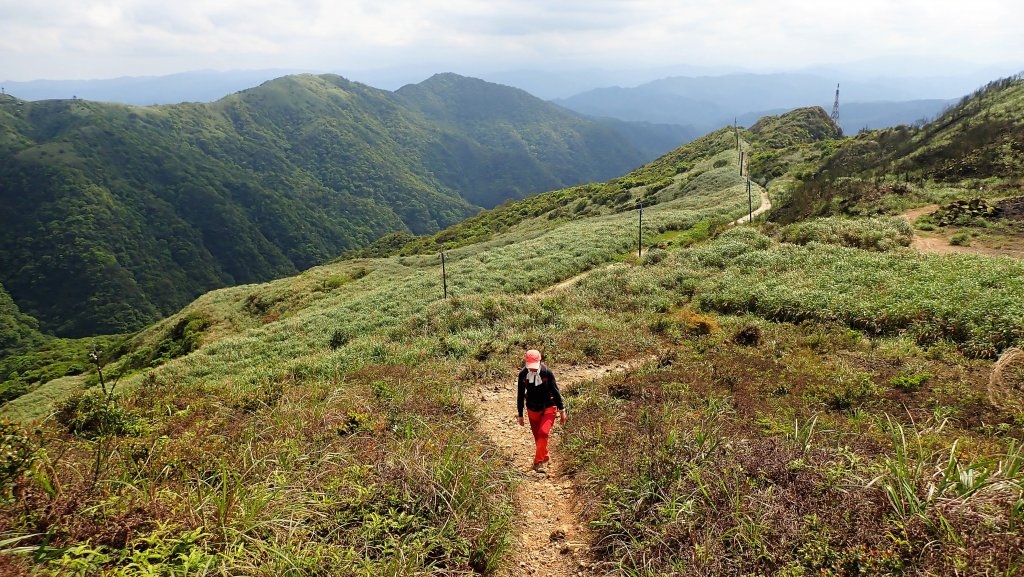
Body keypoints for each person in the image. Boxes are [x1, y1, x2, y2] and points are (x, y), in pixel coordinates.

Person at [516, 349, 567, 473]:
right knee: (538, 438)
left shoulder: (546, 372)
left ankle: (538, 462)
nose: (532, 369)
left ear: (540, 361)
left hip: (549, 406)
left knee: (543, 433)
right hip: (532, 408)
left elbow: (555, 391)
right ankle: (545, 456)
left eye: (534, 367)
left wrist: (562, 410)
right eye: (530, 367)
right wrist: (520, 414)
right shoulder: (523, 374)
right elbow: (520, 394)